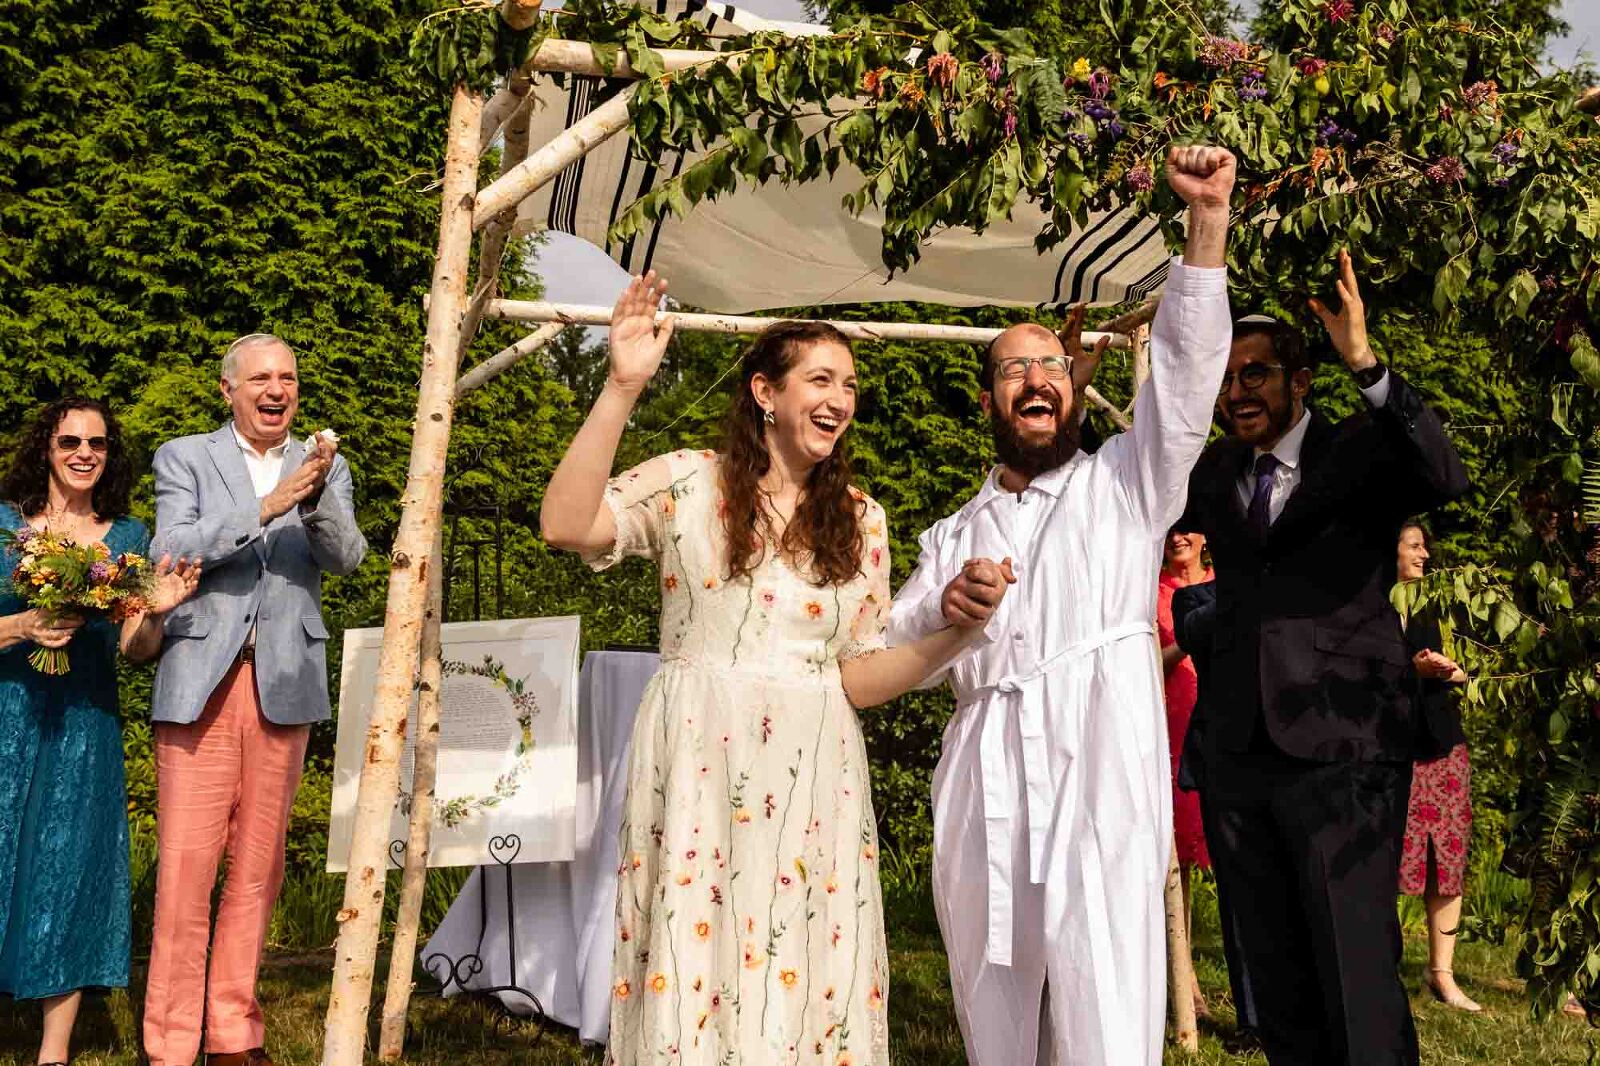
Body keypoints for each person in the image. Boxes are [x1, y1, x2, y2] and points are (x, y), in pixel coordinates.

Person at [539, 275, 1005, 1066]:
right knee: (697, 952)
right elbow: (565, 524)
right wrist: (622, 386)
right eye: (821, 380)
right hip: (699, 758)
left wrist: (959, 635)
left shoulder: (863, 519)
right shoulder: (688, 481)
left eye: (849, 385)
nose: (840, 399)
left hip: (816, 771)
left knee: (806, 961)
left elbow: (857, 677)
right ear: (765, 392)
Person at [885, 145, 1237, 1066]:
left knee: (1106, 982)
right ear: (993, 399)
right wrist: (949, 615)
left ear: (1076, 388)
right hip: (986, 773)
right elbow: (885, 645)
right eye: (1013, 370)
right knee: (989, 986)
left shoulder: (1129, 480)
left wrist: (1204, 228)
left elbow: (1191, 382)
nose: (1036, 380)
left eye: (1050, 366)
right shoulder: (949, 534)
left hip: (1099, 758)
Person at [1174, 251, 1471, 1066]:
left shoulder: (1359, 453)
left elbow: (1443, 475)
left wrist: (1368, 364)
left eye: (1256, 374)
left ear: (1300, 380)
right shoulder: (1212, 472)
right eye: (1228, 378)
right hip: (1238, 756)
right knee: (1276, 981)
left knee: (1356, 971)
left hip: (1345, 752)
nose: (1238, 392)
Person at [144, 334, 368, 1066]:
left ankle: (232, 1032)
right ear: (228, 389)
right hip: (202, 680)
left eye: (289, 378)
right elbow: (169, 549)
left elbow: (348, 558)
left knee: (258, 867)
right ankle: (171, 1041)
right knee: (185, 866)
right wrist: (269, 504)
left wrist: (313, 497)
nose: (278, 390)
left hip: (284, 682)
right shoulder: (185, 456)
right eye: (262, 378)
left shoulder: (325, 463)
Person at [0, 398, 200, 1066]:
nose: (85, 453)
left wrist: (159, 611)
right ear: (46, 448)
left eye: (99, 443)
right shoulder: (3, 526)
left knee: (70, 866)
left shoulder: (127, 536)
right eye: (70, 442)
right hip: (8, 714)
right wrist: (24, 626)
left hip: (84, 721)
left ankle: (52, 1054)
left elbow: (134, 649)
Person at [1395, 521, 1480, 1012]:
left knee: (1445, 862)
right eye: (1413, 545)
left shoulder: (1442, 605)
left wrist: (1455, 670)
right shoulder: (1369, 606)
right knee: (1379, 859)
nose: (1424, 554)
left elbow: (1476, 666)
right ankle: (1379, 965)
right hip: (1386, 748)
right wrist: (1412, 670)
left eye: (1425, 545)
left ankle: (1442, 976)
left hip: (1442, 746)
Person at [1157, 527, 1212, 1017]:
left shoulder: (1223, 584)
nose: (1179, 537)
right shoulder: (1152, 594)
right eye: (1172, 530)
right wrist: (1190, 641)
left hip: (1218, 731)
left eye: (1188, 529)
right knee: (1176, 863)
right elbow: (1146, 663)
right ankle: (1185, 981)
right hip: (1170, 733)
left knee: (1208, 853)